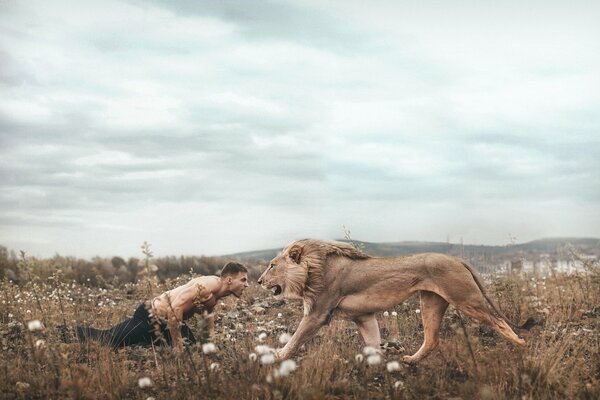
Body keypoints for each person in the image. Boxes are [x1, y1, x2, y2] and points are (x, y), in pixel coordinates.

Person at [69, 262, 249, 351]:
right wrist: (177, 346)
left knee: (193, 351)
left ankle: (154, 346)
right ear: (229, 279)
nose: (247, 285)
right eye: (243, 280)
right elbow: (175, 309)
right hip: (150, 316)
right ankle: (64, 332)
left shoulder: (215, 297)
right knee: (108, 340)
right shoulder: (208, 285)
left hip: (168, 323)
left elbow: (206, 319)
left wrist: (210, 344)